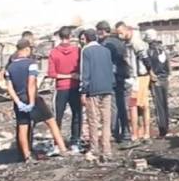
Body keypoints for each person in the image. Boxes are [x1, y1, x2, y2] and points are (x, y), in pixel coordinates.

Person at [4, 39, 68, 161]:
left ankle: (27, 156)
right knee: (51, 121)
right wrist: (32, 101)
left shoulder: (10, 67)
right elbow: (31, 83)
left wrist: (18, 102)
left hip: (20, 100)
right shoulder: (31, 63)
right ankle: (63, 149)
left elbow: (9, 87)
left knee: (23, 127)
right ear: (27, 49)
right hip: (33, 98)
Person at [79, 28, 115, 161]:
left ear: (86, 38)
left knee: (93, 120)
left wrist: (83, 91)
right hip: (107, 88)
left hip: (93, 89)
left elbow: (85, 73)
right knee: (106, 120)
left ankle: (94, 149)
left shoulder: (86, 51)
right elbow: (110, 69)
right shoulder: (106, 50)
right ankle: (107, 150)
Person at [48, 26, 82, 152]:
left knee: (57, 117)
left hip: (61, 87)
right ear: (70, 36)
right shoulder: (77, 51)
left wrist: (65, 76)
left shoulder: (54, 52)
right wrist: (72, 75)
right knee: (77, 115)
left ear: (59, 37)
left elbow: (52, 73)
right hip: (74, 86)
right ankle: (75, 142)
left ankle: (57, 144)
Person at [97, 21, 131, 142]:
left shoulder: (106, 44)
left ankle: (114, 132)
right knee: (122, 106)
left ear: (101, 31)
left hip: (112, 78)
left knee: (113, 106)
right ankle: (126, 133)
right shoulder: (119, 42)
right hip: (122, 77)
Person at [117, 22, 151, 142]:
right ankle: (139, 132)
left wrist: (150, 73)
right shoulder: (126, 44)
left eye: (121, 33)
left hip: (140, 78)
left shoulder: (135, 42)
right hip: (133, 78)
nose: (120, 36)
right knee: (135, 105)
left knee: (140, 106)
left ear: (128, 30)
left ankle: (141, 133)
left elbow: (145, 59)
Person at [144, 29, 171, 138]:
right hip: (165, 78)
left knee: (159, 105)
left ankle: (162, 130)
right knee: (165, 104)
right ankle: (166, 127)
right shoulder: (163, 49)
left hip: (156, 79)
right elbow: (168, 64)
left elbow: (150, 65)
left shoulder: (150, 51)